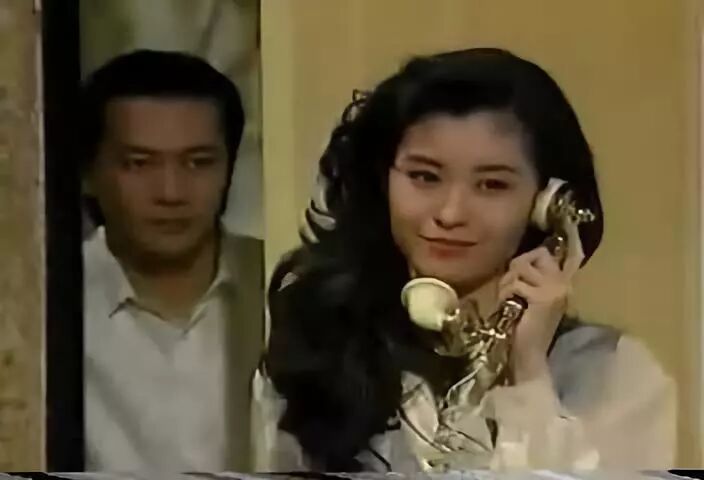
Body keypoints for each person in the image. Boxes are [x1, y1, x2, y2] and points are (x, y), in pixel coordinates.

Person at [252, 48, 676, 472]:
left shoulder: (617, 374)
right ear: (383, 181)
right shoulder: (313, 355)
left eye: (492, 185)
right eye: (424, 177)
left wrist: (529, 372)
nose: (451, 213)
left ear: (547, 203)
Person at [81, 49, 263, 472]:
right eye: (139, 164)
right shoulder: (40, 305)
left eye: (199, 163)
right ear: (88, 173)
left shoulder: (286, 287)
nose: (171, 192)